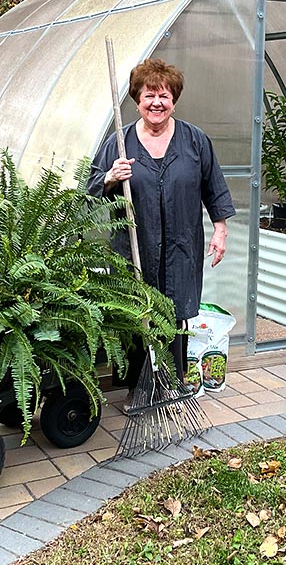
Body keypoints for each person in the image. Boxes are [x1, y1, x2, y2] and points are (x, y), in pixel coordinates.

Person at [88, 58, 235, 411]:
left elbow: (213, 186)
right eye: (149, 95)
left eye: (164, 95)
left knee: (178, 312)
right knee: (137, 315)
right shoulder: (119, 143)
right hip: (134, 246)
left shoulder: (194, 140)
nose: (156, 102)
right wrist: (110, 177)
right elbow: (90, 187)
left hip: (182, 245)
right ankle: (138, 388)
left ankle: (172, 381)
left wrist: (220, 229)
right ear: (137, 100)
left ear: (174, 100)